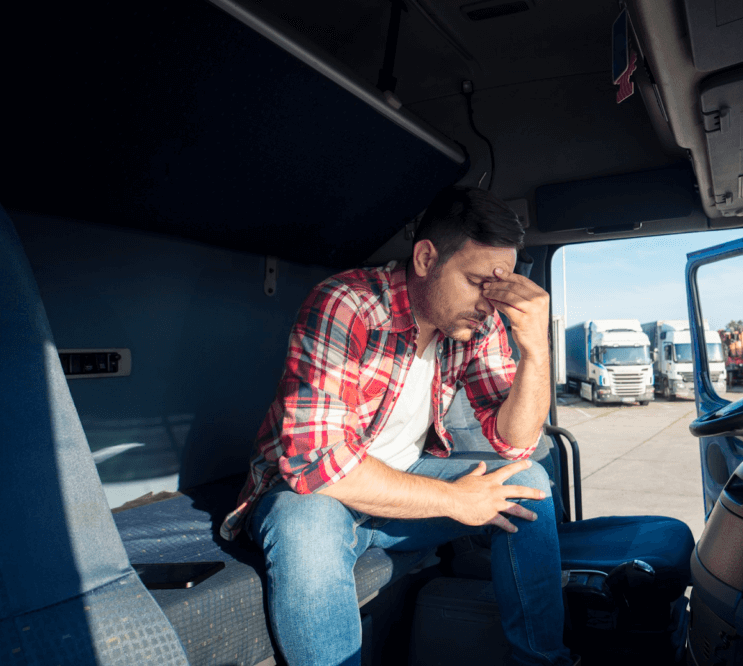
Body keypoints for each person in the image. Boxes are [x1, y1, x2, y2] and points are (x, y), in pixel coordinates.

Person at [221, 186, 574, 666]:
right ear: (426, 258)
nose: (488, 303)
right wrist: (454, 500)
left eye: (499, 287)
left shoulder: (477, 323)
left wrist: (536, 348)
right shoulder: (347, 304)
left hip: (402, 485)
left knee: (527, 482)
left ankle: (543, 660)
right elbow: (318, 467)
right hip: (319, 493)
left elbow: (516, 443)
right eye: (476, 282)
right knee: (305, 519)